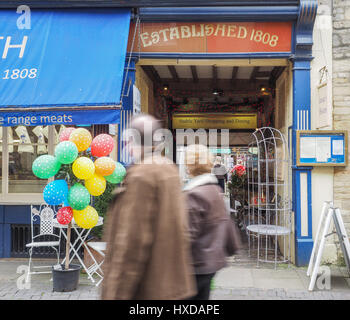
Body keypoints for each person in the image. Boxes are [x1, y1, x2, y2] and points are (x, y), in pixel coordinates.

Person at [101, 114, 196, 300]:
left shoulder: (141, 176)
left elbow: (130, 243)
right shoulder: (169, 169)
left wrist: (115, 294)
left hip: (147, 288)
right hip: (170, 286)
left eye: (128, 140)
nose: (126, 147)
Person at [184, 144, 241, 300]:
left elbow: (186, 235)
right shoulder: (215, 191)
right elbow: (224, 221)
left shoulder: (194, 194)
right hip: (213, 261)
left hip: (196, 264)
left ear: (189, 166)